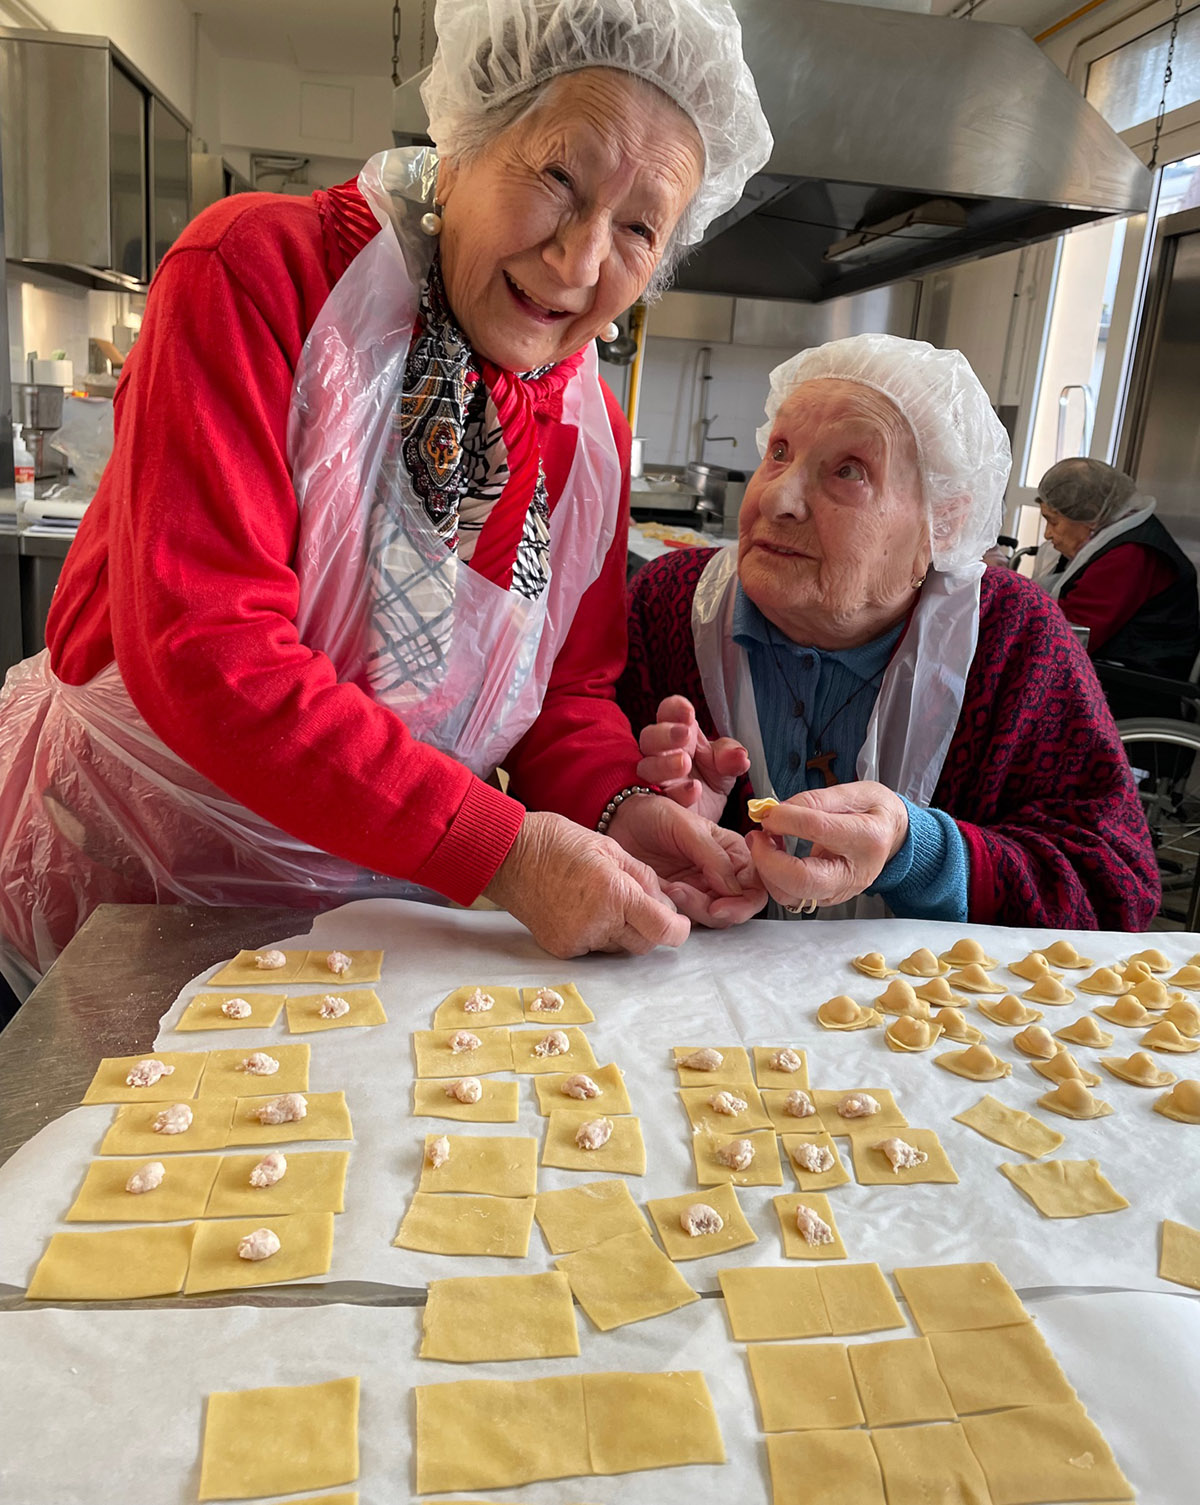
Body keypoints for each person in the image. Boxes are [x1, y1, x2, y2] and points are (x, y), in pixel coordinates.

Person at [0, 0, 773, 993]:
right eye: (557, 178)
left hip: (377, 927)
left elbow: (563, 693)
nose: (579, 262)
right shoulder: (262, 272)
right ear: (464, 145)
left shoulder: (589, 434)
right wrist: (501, 851)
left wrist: (617, 810)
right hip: (138, 888)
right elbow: (211, 650)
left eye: (637, 228)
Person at [621, 335, 1160, 929]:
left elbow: (1115, 889)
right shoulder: (672, 604)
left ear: (942, 523)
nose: (778, 497)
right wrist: (645, 816)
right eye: (779, 452)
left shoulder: (1013, 639)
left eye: (849, 471)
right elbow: (571, 813)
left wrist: (919, 853)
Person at [1036, 457, 1200, 720]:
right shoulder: (1116, 536)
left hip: (1131, 690)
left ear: (1090, 516)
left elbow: (1072, 634)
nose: (1047, 534)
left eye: (1053, 521)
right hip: (1114, 673)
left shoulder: (1130, 555)